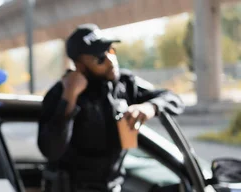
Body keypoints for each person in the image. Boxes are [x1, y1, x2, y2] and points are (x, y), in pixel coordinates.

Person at [37, 24, 184, 192]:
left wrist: (151, 107)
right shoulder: (61, 93)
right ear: (80, 66)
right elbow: (51, 149)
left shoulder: (125, 84)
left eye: (111, 51)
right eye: (99, 57)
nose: (110, 60)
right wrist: (69, 97)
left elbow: (174, 99)